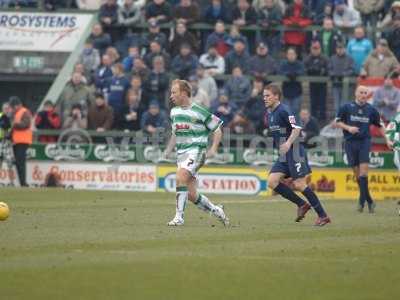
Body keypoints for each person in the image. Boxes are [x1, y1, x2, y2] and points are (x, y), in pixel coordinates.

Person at [263, 84, 331, 226]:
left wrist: (288, 143)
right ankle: (302, 204)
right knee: (272, 181)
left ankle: (323, 215)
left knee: (300, 184)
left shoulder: (284, 110)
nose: (265, 98)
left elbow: (297, 128)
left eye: (268, 95)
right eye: (264, 96)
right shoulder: (269, 114)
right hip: (284, 155)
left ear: (276, 96)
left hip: (294, 151)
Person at [164, 79, 229, 226]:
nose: (171, 96)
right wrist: (168, 149)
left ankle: (179, 217)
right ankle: (216, 210)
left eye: (174, 92)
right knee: (192, 195)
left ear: (184, 93)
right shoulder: (174, 112)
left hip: (197, 152)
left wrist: (213, 148)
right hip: (182, 155)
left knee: (180, 177)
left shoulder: (199, 111)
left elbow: (217, 129)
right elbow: (175, 133)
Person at [335, 85, 393, 213]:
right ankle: (370, 201)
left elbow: (380, 125)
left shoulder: (371, 110)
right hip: (350, 142)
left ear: (368, 95)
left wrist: (388, 139)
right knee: (357, 176)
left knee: (363, 174)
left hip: (364, 142)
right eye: (361, 92)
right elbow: (337, 122)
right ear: (356, 93)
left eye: (365, 93)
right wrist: (348, 128)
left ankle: (361, 202)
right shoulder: (346, 107)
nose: (363, 95)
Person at [9, 97, 32, 187]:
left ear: (17, 105)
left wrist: (14, 125)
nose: (11, 108)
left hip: (23, 141)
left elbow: (26, 124)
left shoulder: (24, 112)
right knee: (19, 162)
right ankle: (22, 183)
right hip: (17, 141)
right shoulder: (16, 113)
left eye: (12, 106)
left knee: (20, 162)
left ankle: (23, 183)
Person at [304, 41, 329, 122]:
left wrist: (323, 71)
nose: (315, 50)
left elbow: (328, 69)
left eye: (317, 48)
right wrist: (311, 70)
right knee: (313, 104)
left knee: (322, 104)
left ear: (320, 49)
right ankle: (313, 121)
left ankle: (322, 121)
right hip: (312, 84)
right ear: (311, 49)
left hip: (322, 84)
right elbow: (304, 69)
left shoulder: (325, 58)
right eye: (314, 48)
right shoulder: (308, 59)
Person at [328, 42, 356, 114]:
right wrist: (334, 74)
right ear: (336, 49)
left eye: (341, 48)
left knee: (345, 105)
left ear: (345, 49)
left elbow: (352, 69)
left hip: (347, 86)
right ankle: (338, 121)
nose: (340, 50)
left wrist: (344, 74)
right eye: (338, 48)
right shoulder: (332, 58)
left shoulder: (350, 58)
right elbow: (329, 69)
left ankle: (345, 122)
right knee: (336, 106)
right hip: (336, 85)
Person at [279, 47, 305, 116]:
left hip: (297, 92)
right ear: (286, 55)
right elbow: (280, 71)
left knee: (295, 113)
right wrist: (288, 74)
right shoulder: (283, 64)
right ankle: (289, 126)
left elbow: (302, 71)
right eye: (289, 54)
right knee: (287, 113)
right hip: (286, 92)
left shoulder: (300, 64)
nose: (291, 56)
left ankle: (295, 126)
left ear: (296, 55)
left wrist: (295, 74)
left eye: (292, 54)